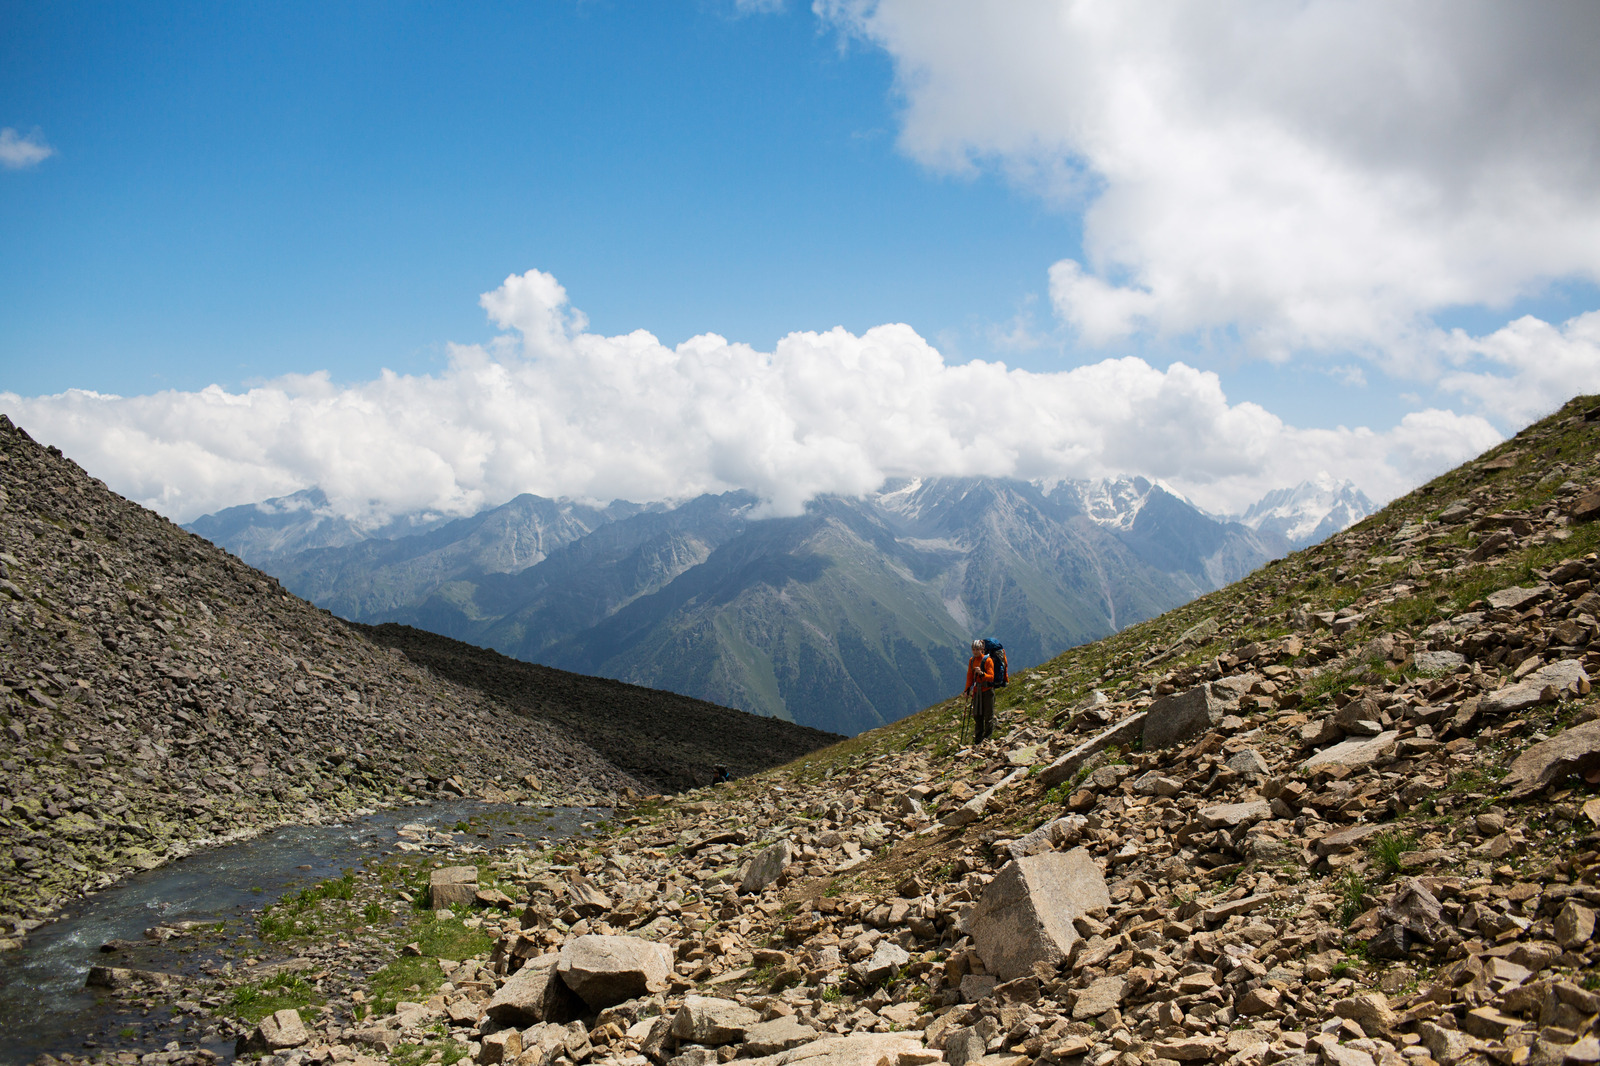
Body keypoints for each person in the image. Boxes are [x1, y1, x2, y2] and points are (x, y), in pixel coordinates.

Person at [964, 638, 996, 742]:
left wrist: (982, 673)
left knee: (988, 715)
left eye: (977, 649)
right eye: (973, 649)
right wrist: (967, 689)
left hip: (987, 690)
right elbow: (970, 675)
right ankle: (978, 738)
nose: (975, 651)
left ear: (982, 649)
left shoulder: (988, 660)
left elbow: (991, 677)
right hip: (977, 691)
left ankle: (987, 737)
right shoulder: (971, 660)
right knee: (977, 715)